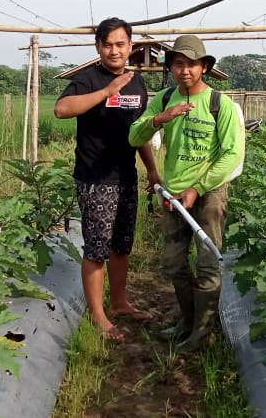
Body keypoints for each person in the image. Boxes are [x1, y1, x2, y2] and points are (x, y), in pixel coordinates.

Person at [128, 35, 245, 350]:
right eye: (178, 63)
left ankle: (202, 333)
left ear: (204, 67)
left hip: (209, 195)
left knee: (207, 264)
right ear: (171, 67)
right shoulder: (164, 99)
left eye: (192, 64)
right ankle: (187, 318)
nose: (185, 70)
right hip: (173, 194)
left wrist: (198, 188)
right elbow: (133, 135)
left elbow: (232, 154)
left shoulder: (220, 105)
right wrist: (160, 119)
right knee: (174, 263)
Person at [55, 17, 160, 341]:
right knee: (97, 249)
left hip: (126, 175)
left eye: (120, 44)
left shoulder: (137, 83)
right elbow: (62, 109)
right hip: (95, 178)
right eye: (107, 44)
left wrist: (152, 169)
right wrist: (105, 91)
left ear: (130, 46)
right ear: (98, 47)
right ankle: (99, 316)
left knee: (121, 246)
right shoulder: (88, 79)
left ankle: (119, 303)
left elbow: (139, 129)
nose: (114, 50)